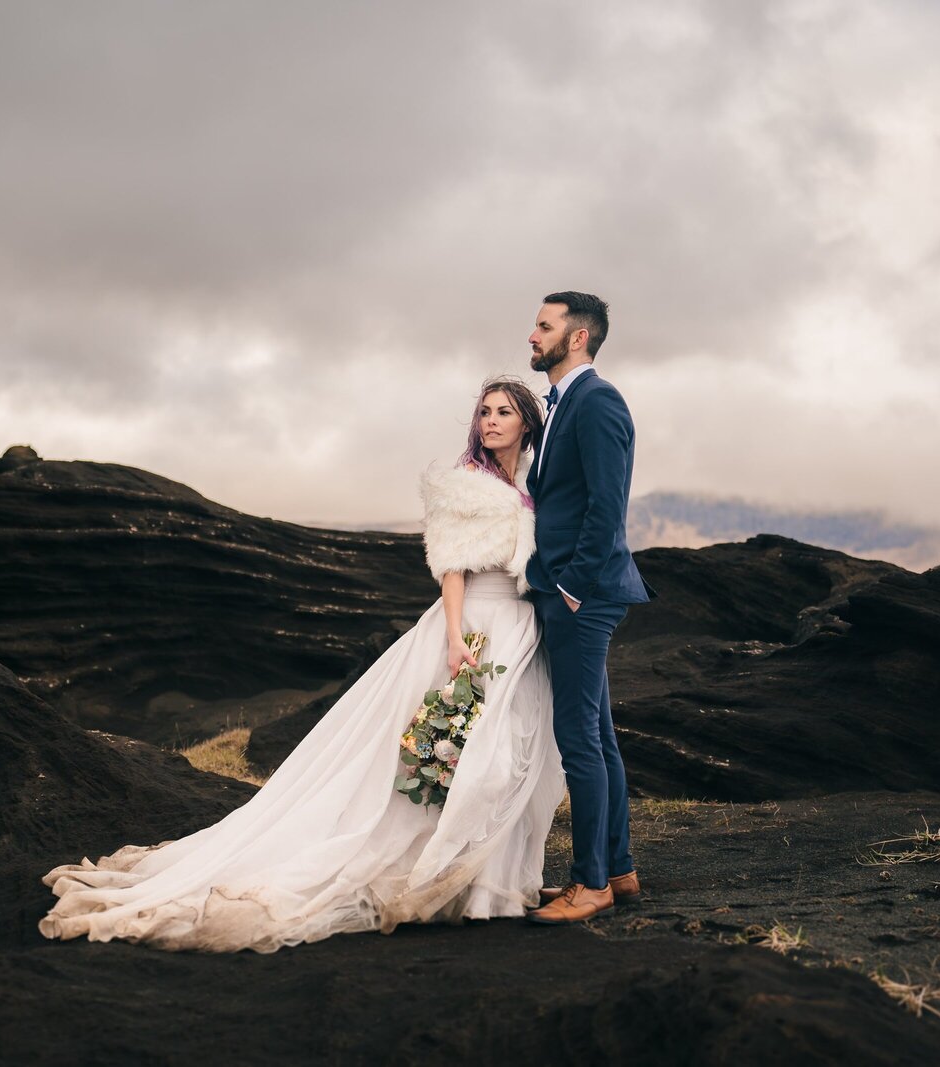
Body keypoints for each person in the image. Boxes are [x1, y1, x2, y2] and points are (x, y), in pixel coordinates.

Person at [38, 377, 566, 952]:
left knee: (509, 757)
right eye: (484, 412)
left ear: (526, 422)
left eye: (504, 412)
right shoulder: (465, 486)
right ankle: (431, 874)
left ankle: (492, 887)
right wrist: (454, 636)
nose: (491, 421)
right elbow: (452, 568)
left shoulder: (532, 484)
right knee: (452, 759)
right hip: (474, 630)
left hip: (521, 630)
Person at [521, 291, 656, 925]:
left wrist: (572, 585)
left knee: (577, 737)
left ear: (577, 338)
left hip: (584, 594)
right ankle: (619, 870)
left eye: (543, 326)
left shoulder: (598, 401)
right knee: (598, 736)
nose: (532, 334)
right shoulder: (561, 405)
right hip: (574, 591)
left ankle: (590, 884)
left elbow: (609, 502)